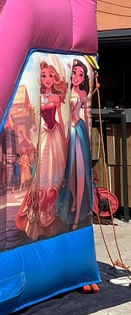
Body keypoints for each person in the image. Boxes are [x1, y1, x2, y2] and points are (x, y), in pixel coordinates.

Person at [15, 61, 68, 240]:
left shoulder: (56, 98)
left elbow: (60, 119)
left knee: (54, 171)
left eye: (50, 76)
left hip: (54, 135)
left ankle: (52, 212)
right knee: (42, 173)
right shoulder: (39, 97)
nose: (47, 79)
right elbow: (37, 122)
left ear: (55, 78)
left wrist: (63, 136)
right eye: (44, 75)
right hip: (44, 135)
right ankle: (39, 215)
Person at [58, 59, 94, 229]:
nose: (76, 77)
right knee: (70, 171)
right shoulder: (65, 91)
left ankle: (78, 214)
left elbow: (86, 116)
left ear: (84, 78)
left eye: (80, 74)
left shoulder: (82, 94)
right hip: (69, 131)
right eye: (74, 73)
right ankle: (73, 200)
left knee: (80, 171)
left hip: (78, 130)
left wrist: (87, 135)